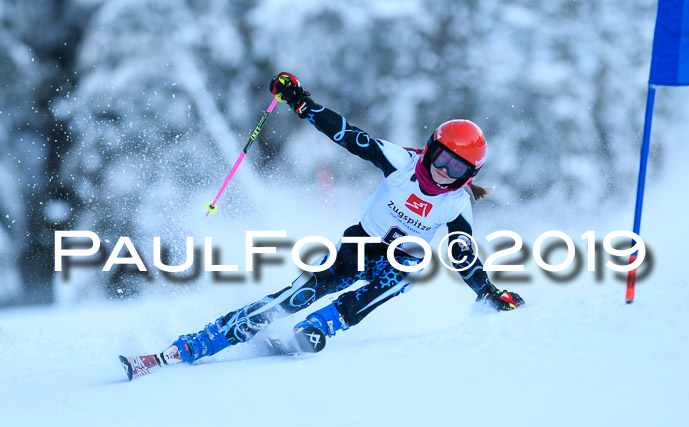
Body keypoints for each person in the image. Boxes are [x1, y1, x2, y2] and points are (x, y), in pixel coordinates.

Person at [121, 72, 524, 378]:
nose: (441, 171)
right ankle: (193, 345)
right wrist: (300, 102)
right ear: (430, 147)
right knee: (290, 298)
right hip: (358, 247)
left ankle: (321, 326)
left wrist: (488, 292)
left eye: (456, 168)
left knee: (406, 275)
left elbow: (463, 257)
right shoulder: (400, 162)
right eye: (440, 157)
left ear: (468, 175)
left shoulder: (457, 205)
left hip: (399, 261)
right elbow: (347, 134)